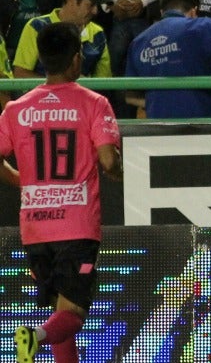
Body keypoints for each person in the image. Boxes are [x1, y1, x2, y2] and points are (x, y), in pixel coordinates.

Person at [3, 22, 122, 363]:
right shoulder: (93, 103)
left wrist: (21, 180)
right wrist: (116, 170)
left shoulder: (16, 109)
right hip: (76, 225)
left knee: (60, 308)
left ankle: (44, 337)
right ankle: (35, 335)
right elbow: (107, 159)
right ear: (75, 60)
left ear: (42, 59)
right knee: (74, 312)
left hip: (35, 227)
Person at [13, 0, 112, 79]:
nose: (95, 11)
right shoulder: (37, 27)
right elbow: (20, 74)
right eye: (90, 5)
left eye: (97, 5)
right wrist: (63, 86)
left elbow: (104, 81)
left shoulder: (98, 34)